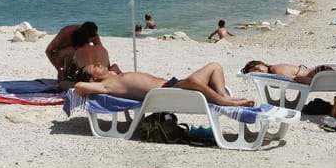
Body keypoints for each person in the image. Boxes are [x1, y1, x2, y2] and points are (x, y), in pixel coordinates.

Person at [73, 62, 254, 107]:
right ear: (93, 79)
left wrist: (110, 72)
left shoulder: (114, 75)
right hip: (164, 93)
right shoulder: (106, 85)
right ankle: (224, 102)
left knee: (216, 67)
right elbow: (80, 86)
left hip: (170, 85)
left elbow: (113, 68)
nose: (98, 63)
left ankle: (223, 96)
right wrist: (87, 82)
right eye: (93, 67)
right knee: (194, 81)